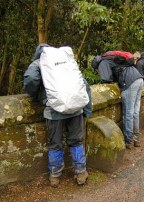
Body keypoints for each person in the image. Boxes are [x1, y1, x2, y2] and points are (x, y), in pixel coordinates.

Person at [23, 44, 92, 187]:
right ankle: (80, 173)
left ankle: (55, 175)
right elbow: (84, 84)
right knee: (76, 141)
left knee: (55, 144)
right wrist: (87, 110)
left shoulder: (40, 62)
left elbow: (30, 79)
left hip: (54, 112)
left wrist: (37, 96)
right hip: (76, 110)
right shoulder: (66, 61)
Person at [108, 51, 144, 149]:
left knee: (129, 113)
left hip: (130, 83)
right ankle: (136, 139)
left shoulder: (115, 65)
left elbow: (113, 79)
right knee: (135, 112)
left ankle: (129, 140)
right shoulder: (128, 64)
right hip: (140, 80)